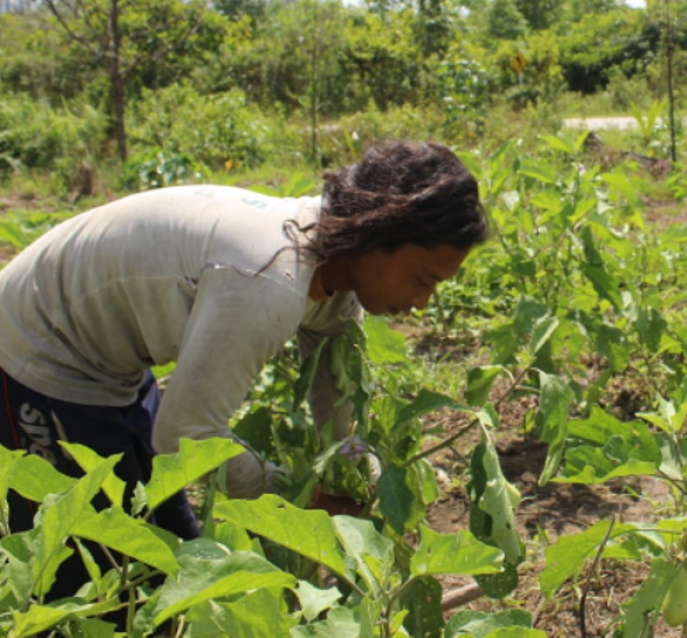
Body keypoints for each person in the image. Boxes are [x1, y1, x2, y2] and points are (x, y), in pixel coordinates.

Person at [0, 139, 487, 593]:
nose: (423, 302)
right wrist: (295, 500)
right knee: (89, 572)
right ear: (377, 234)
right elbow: (187, 433)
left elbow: (337, 408)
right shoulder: (268, 279)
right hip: (39, 351)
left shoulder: (335, 265)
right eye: (422, 279)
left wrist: (368, 473)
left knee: (173, 556)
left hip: (113, 363)